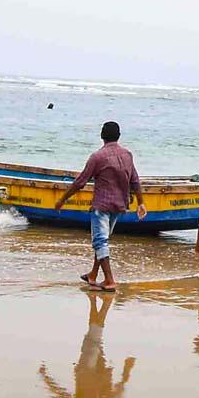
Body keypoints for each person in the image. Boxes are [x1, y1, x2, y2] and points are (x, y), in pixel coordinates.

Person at [54, 121, 147, 293]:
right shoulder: (127, 154)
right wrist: (141, 202)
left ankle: (110, 281)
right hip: (119, 205)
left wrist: (62, 199)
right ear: (118, 136)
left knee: (99, 241)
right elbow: (135, 179)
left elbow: (80, 182)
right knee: (103, 239)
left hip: (102, 206)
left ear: (101, 136)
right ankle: (93, 274)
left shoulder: (97, 157)